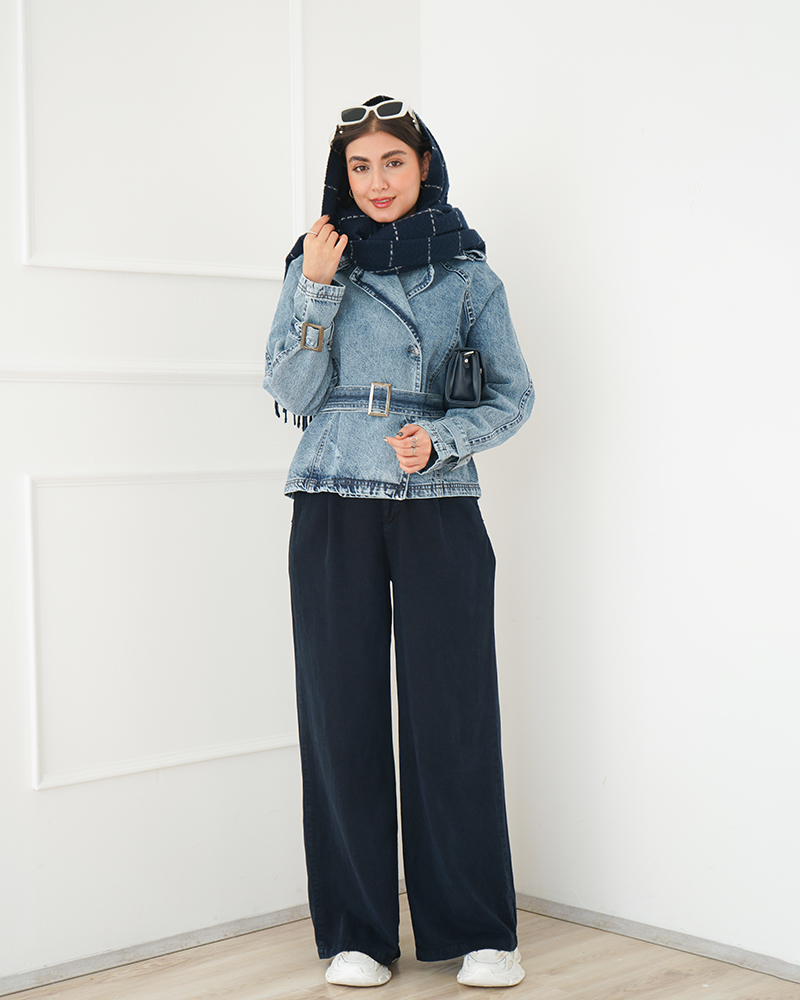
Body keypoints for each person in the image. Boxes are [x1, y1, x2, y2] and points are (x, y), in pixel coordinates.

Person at [264, 96, 534, 988]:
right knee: (338, 716)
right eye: (359, 167)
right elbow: (290, 390)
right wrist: (315, 285)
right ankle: (356, 932)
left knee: (453, 715)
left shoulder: (468, 275)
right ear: (340, 177)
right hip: (332, 492)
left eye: (393, 163)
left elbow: (514, 395)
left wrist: (444, 439)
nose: (376, 183)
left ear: (424, 167)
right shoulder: (315, 262)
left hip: (437, 499)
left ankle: (480, 929)